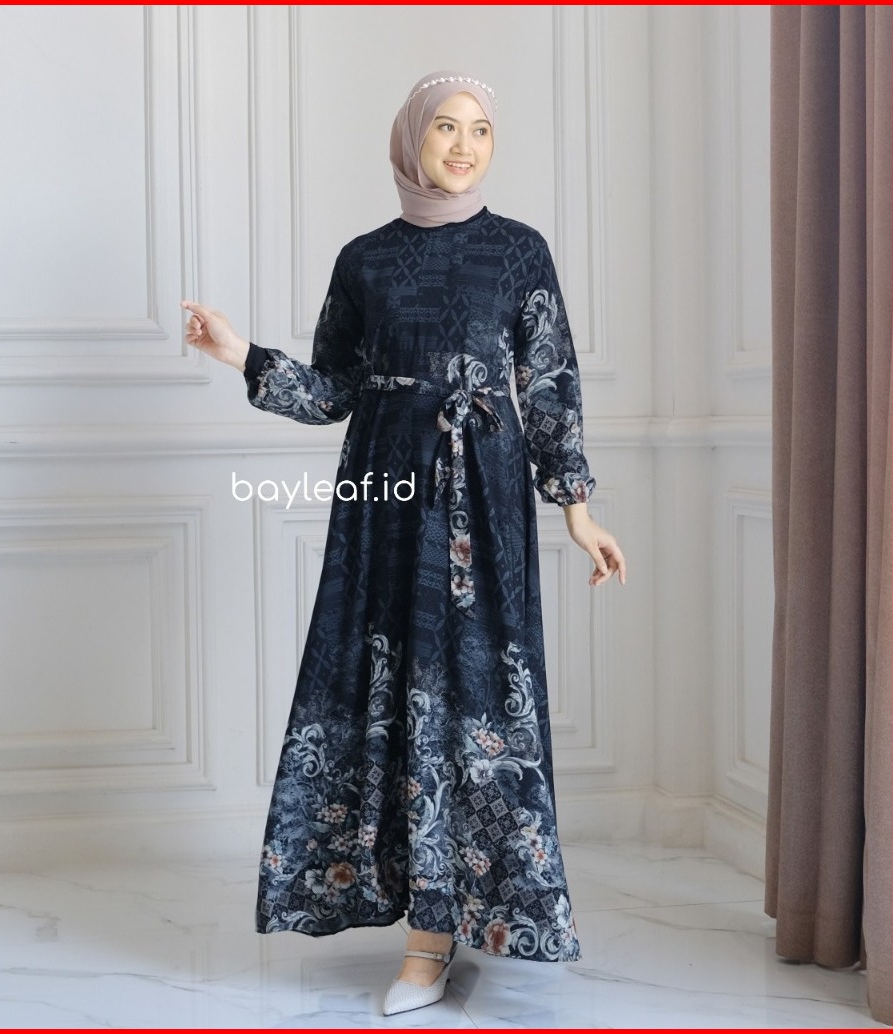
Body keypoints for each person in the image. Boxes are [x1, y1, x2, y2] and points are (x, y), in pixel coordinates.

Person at [182, 70, 626, 1017]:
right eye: (446, 128)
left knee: (476, 690)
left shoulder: (520, 251)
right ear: (411, 138)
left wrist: (578, 508)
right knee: (386, 686)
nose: (464, 146)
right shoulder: (365, 260)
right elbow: (334, 390)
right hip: (382, 499)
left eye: (481, 131)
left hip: (484, 501)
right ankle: (425, 927)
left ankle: (456, 924)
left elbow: (550, 385)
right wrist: (239, 354)